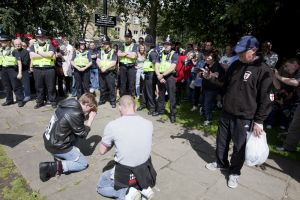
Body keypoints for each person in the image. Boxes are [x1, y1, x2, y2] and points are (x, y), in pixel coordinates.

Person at [204, 35, 273, 188]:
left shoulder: (264, 70)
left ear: (253, 51)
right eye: (238, 51)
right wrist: (211, 78)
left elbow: (267, 99)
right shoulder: (236, 65)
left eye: (243, 52)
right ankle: (221, 163)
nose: (239, 55)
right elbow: (224, 84)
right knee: (221, 141)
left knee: (239, 147)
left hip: (245, 117)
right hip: (227, 112)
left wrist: (259, 121)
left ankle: (234, 173)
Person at [96, 95, 156, 200]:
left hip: (125, 173)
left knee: (101, 186)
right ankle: (143, 188)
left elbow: (101, 151)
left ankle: (127, 193)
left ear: (120, 107)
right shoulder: (149, 124)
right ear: (135, 106)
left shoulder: (113, 125)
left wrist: (111, 142)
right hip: (145, 170)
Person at [39, 93, 97, 182]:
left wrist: (86, 115)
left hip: (49, 140)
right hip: (58, 146)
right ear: (86, 105)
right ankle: (52, 167)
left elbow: (75, 122)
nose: (90, 111)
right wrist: (90, 120)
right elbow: (82, 134)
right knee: (82, 164)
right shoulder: (75, 113)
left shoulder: (67, 104)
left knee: (75, 136)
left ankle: (59, 157)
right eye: (90, 108)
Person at [274, 58, 300, 152]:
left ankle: (288, 147)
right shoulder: (295, 74)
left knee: (295, 125)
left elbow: (295, 82)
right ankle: (289, 147)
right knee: (295, 125)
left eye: (287, 66)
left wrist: (279, 77)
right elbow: (279, 87)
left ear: (295, 64)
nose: (285, 69)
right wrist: (274, 76)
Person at [29, 27, 57, 109]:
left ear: (45, 37)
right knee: (39, 87)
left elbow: (50, 55)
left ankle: (52, 101)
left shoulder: (50, 45)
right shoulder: (33, 46)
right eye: (39, 37)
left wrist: (37, 53)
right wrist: (44, 54)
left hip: (49, 69)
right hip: (37, 69)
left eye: (42, 36)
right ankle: (40, 102)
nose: (41, 38)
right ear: (36, 37)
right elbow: (31, 55)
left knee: (51, 86)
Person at [155, 35, 179, 123]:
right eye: (165, 44)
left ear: (171, 45)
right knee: (161, 94)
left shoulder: (175, 54)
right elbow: (156, 65)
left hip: (170, 77)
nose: (166, 46)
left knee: (171, 96)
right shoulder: (160, 53)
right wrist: (158, 75)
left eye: (168, 44)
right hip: (160, 76)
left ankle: (173, 114)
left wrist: (162, 75)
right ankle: (160, 110)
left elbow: (173, 67)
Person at [0, 31, 25, 107]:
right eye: (1, 41)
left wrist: (20, 73)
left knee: (16, 86)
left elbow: (19, 62)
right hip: (3, 70)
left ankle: (20, 100)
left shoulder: (14, 50)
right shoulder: (1, 50)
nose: (2, 42)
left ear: (8, 42)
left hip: (12, 70)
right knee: (6, 86)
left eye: (4, 41)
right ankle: (9, 100)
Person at [137, 34, 159, 116]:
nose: (144, 46)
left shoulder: (152, 53)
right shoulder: (149, 52)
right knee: (144, 90)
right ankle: (143, 104)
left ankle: (152, 108)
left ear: (148, 45)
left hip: (151, 74)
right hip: (147, 74)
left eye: (145, 44)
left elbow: (155, 62)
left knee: (150, 92)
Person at [96, 35, 117, 108]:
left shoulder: (113, 52)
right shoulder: (100, 51)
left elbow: (114, 62)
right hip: (102, 72)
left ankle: (113, 101)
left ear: (108, 44)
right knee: (102, 87)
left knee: (111, 87)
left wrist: (105, 68)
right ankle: (102, 100)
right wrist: (101, 67)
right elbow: (97, 60)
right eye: (103, 43)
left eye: (105, 43)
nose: (103, 45)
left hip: (109, 73)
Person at [118, 29, 138, 97]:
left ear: (131, 38)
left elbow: (133, 56)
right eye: (126, 37)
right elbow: (118, 54)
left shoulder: (134, 45)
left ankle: (131, 97)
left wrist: (123, 54)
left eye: (128, 37)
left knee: (131, 83)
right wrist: (127, 53)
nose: (127, 38)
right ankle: (122, 96)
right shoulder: (122, 45)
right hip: (123, 66)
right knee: (122, 83)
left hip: (131, 66)